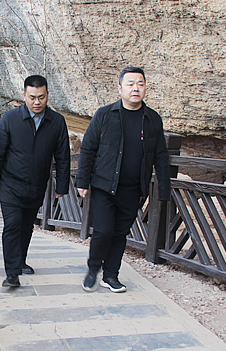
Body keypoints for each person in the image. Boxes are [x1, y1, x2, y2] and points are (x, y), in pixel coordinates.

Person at [76, 67, 171, 293]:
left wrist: (164, 189)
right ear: (120, 88)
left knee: (120, 233)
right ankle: (93, 269)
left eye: (140, 84)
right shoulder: (104, 114)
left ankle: (111, 275)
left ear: (145, 88)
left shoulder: (152, 119)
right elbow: (88, 148)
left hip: (133, 188)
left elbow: (160, 155)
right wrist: (82, 181)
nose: (135, 88)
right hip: (104, 185)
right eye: (130, 84)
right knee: (103, 231)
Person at [0, 75, 70, 288]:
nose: (37, 102)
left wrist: (62, 186)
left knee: (26, 227)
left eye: (41, 97)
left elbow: (62, 156)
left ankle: (20, 261)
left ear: (47, 95)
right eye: (32, 97)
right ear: (24, 95)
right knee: (12, 225)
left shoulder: (56, 121)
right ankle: (12, 273)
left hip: (37, 185)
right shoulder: (10, 119)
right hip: (10, 184)